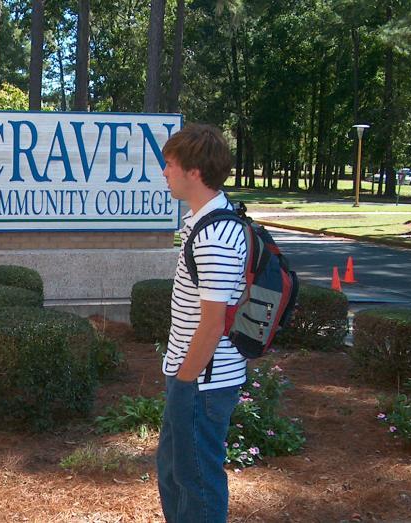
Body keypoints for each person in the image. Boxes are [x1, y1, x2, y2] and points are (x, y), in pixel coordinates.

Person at [156, 124, 247, 522]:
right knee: (175, 474)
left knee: (198, 484)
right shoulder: (202, 222)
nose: (165, 172)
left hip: (202, 382)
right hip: (190, 376)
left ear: (194, 172)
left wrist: (185, 380)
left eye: (170, 165)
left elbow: (213, 325)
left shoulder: (216, 235)